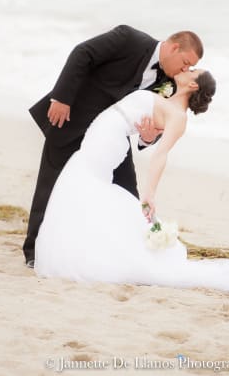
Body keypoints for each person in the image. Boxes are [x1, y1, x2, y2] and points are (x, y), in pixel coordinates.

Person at [34, 70, 229, 292]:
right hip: (104, 137)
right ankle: (84, 249)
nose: (187, 69)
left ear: (192, 84)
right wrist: (147, 135)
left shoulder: (178, 117)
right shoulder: (166, 97)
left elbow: (161, 155)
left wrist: (149, 194)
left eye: (193, 71)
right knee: (86, 191)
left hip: (106, 143)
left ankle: (81, 255)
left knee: (83, 184)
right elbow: (144, 129)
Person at [24, 25, 204, 267]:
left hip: (112, 139)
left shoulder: (170, 84)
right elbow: (82, 53)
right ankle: (34, 251)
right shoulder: (128, 39)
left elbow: (155, 122)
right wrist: (62, 98)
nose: (184, 70)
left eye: (189, 68)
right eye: (184, 62)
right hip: (72, 119)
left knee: (128, 192)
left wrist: (148, 137)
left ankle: (134, 253)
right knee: (51, 183)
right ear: (173, 47)